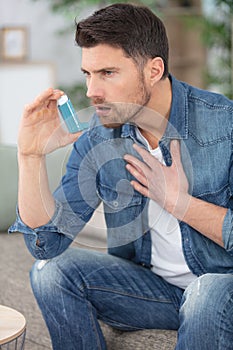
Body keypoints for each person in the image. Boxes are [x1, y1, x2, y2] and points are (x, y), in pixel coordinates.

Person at [9, 3, 233, 350]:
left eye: (108, 73)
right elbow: (47, 244)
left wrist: (181, 204)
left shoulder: (224, 124)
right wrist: (31, 156)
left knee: (206, 293)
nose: (91, 91)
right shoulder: (100, 136)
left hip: (223, 291)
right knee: (51, 274)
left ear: (154, 70)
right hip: (156, 292)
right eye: (88, 73)